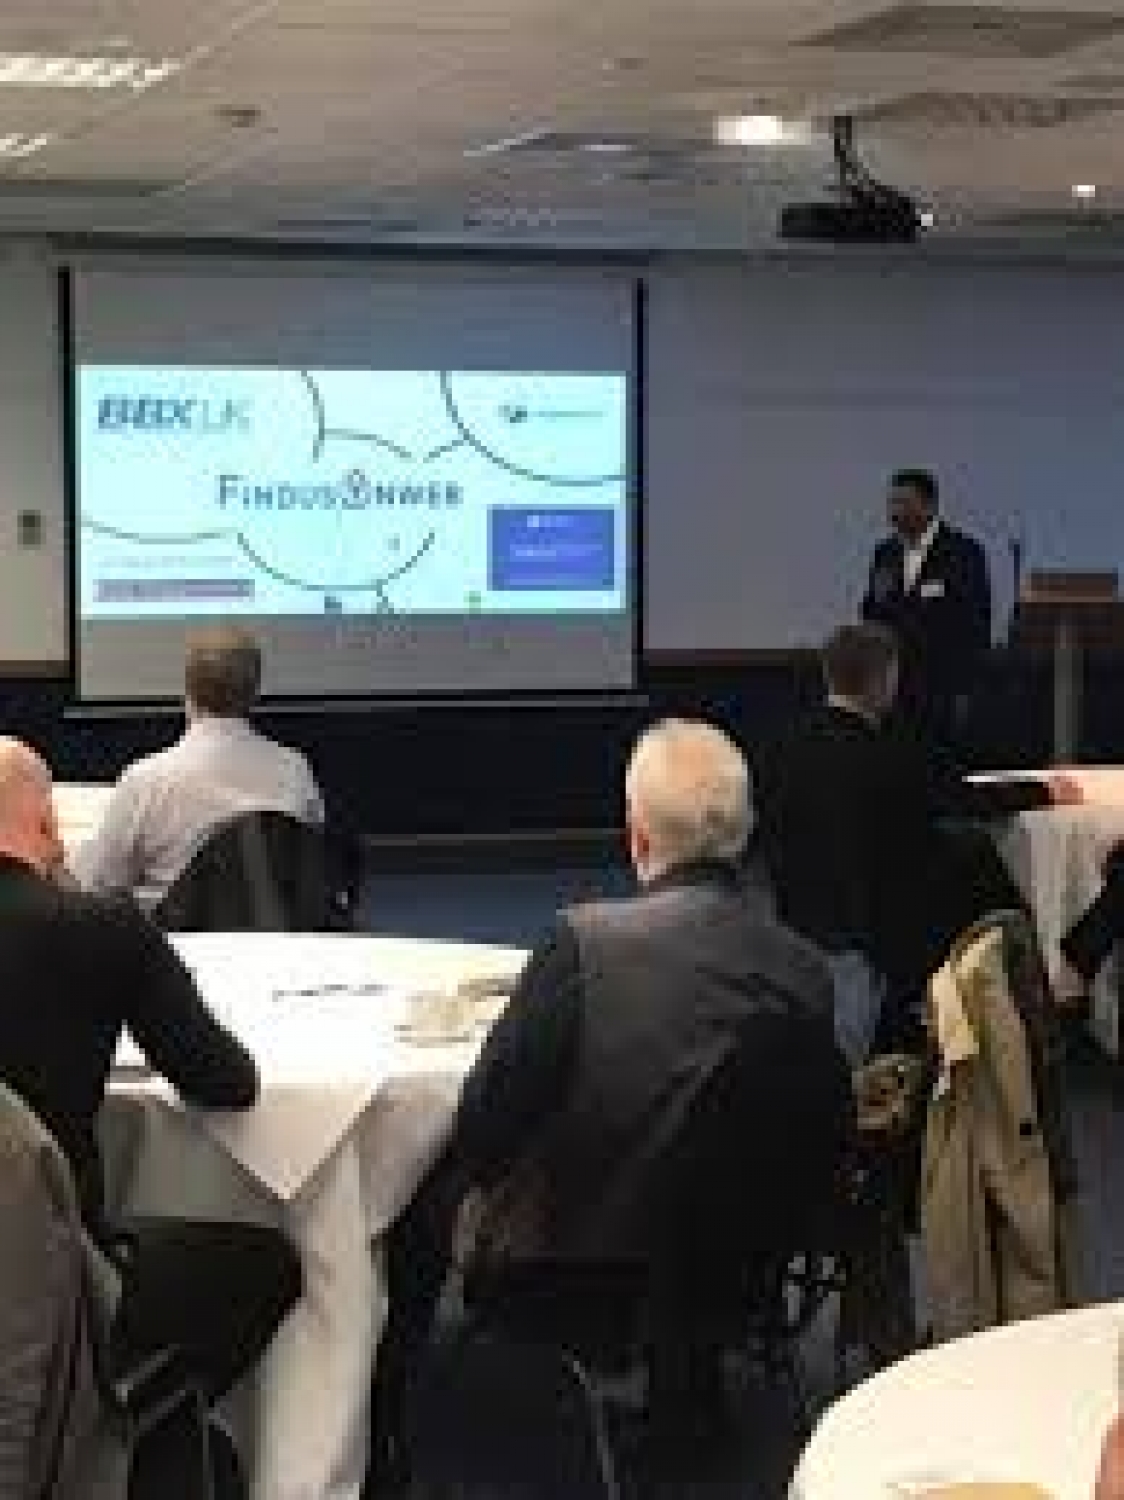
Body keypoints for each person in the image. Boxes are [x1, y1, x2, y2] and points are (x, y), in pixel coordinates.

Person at [373, 719, 849, 1478]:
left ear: (637, 837)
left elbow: (486, 1130)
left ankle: (387, 1427)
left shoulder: (582, 948)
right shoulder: (806, 972)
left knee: (409, 1195)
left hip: (582, 1264)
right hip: (751, 1263)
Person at [0, 737, 301, 1415]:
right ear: (47, 824)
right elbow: (226, 1081)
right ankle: (124, 1429)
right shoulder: (99, 929)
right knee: (266, 1264)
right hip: (58, 1273)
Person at [756, 623, 1076, 1046]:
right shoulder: (890, 753)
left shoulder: (783, 746)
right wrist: (1044, 791)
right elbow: (960, 799)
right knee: (981, 873)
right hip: (884, 928)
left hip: (801, 917)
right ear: (887, 678)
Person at [73, 626, 324, 910]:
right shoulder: (295, 771)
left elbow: (98, 883)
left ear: (188, 693)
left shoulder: (146, 781)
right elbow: (311, 864)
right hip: (273, 930)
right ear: (254, 694)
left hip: (167, 935)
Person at [861, 468, 991, 747]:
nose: (895, 512)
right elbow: (870, 615)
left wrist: (965, 689)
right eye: (892, 503)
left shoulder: (963, 551)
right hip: (894, 690)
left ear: (930, 506)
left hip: (944, 689)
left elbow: (976, 624)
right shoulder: (885, 553)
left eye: (904, 503)